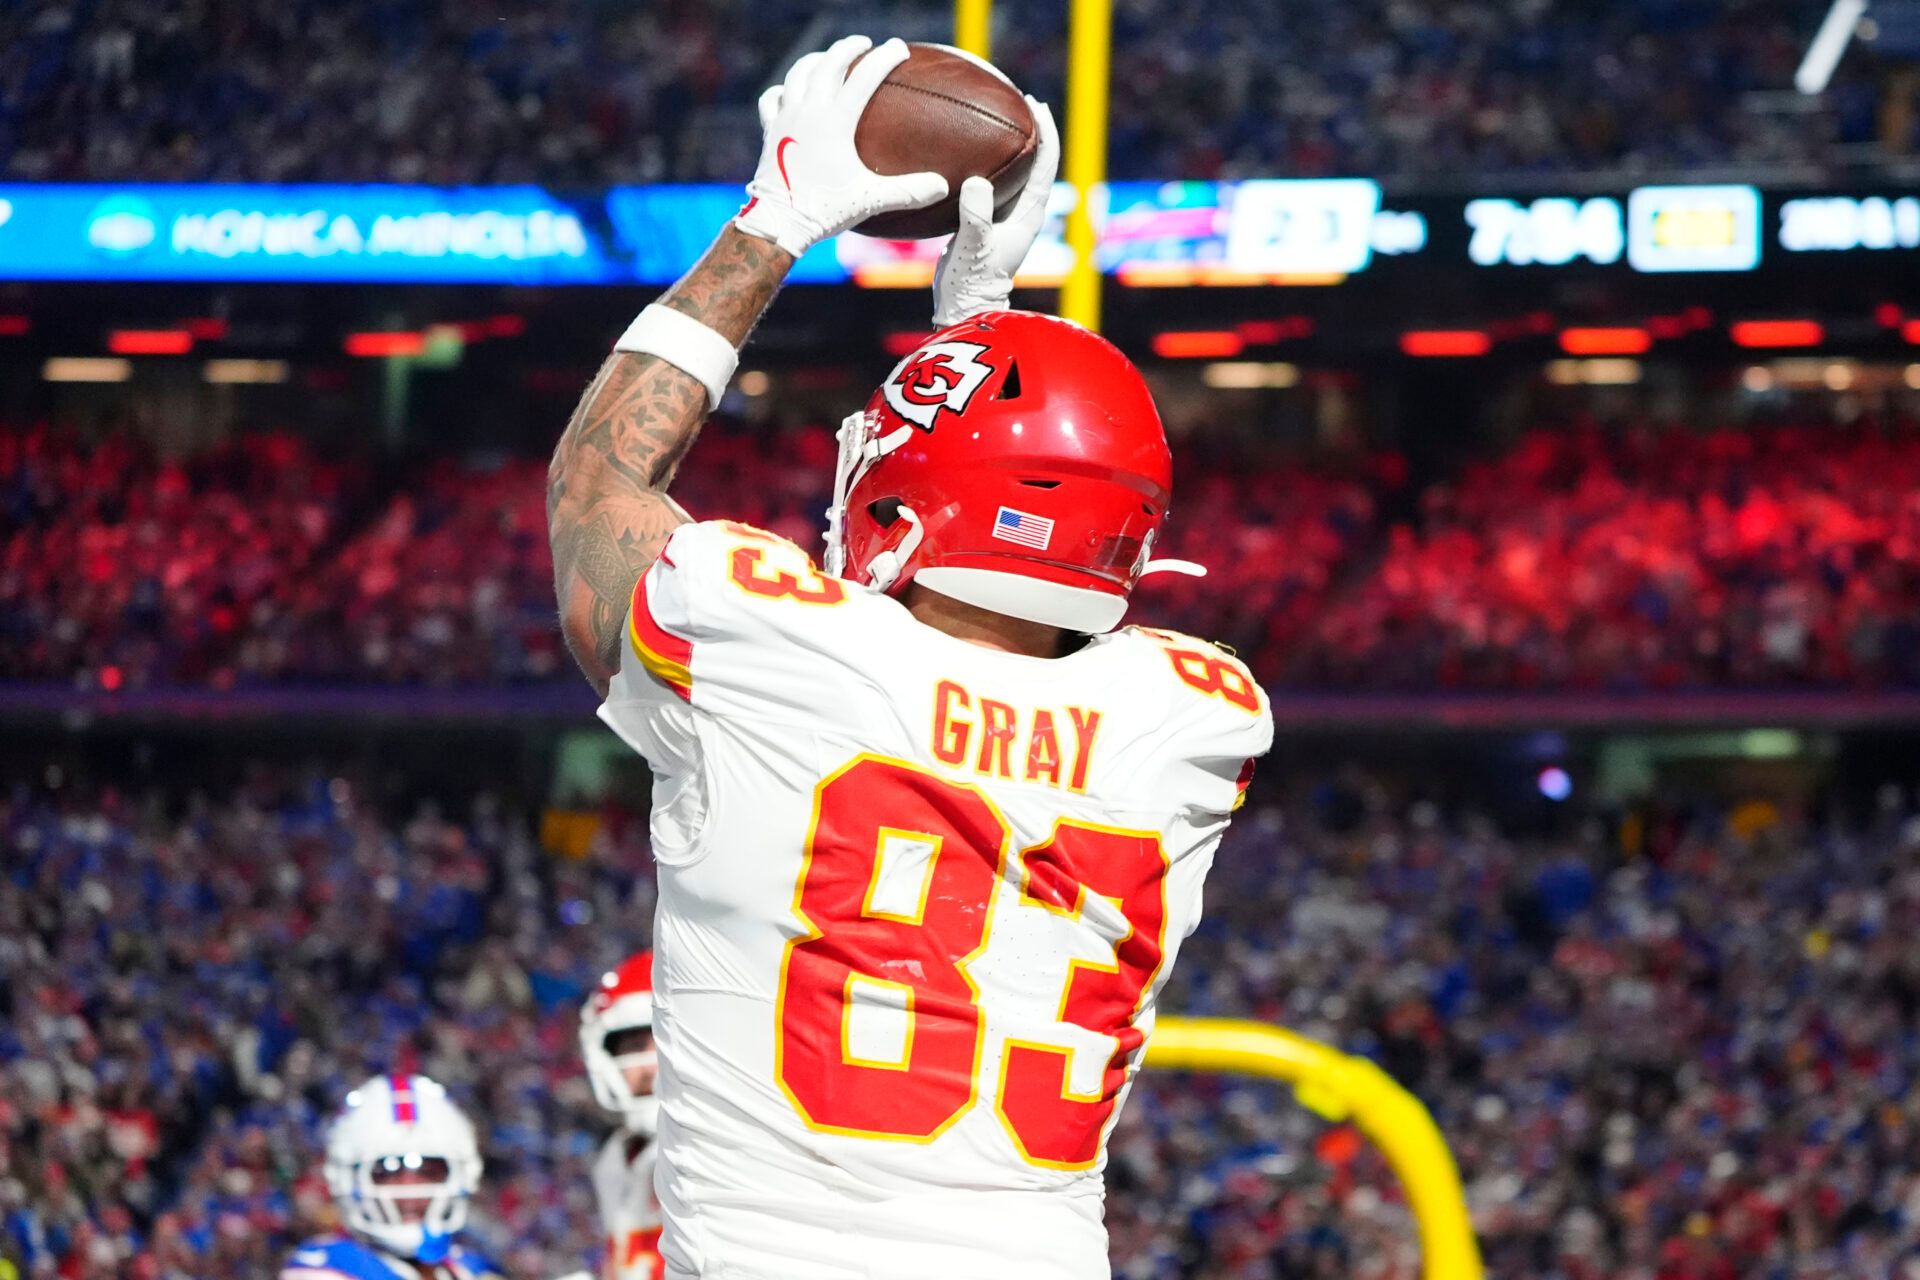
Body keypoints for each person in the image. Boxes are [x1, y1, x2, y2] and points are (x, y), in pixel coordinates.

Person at [546, 34, 1271, 1280]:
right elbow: (1010, 612)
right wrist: (980, 335)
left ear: (902, 512)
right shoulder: (1197, 722)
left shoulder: (764, 637)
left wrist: (775, 215)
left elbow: (598, 480)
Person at [280, 1074, 502, 1280]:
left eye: (428, 1170)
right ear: (346, 1179)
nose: (409, 1187)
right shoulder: (322, 1267)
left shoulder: (473, 1267)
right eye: (387, 1171)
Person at [580, 952, 666, 1280]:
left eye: (659, 1038)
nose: (646, 1066)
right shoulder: (615, 1159)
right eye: (632, 1045)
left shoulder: (720, 1140)